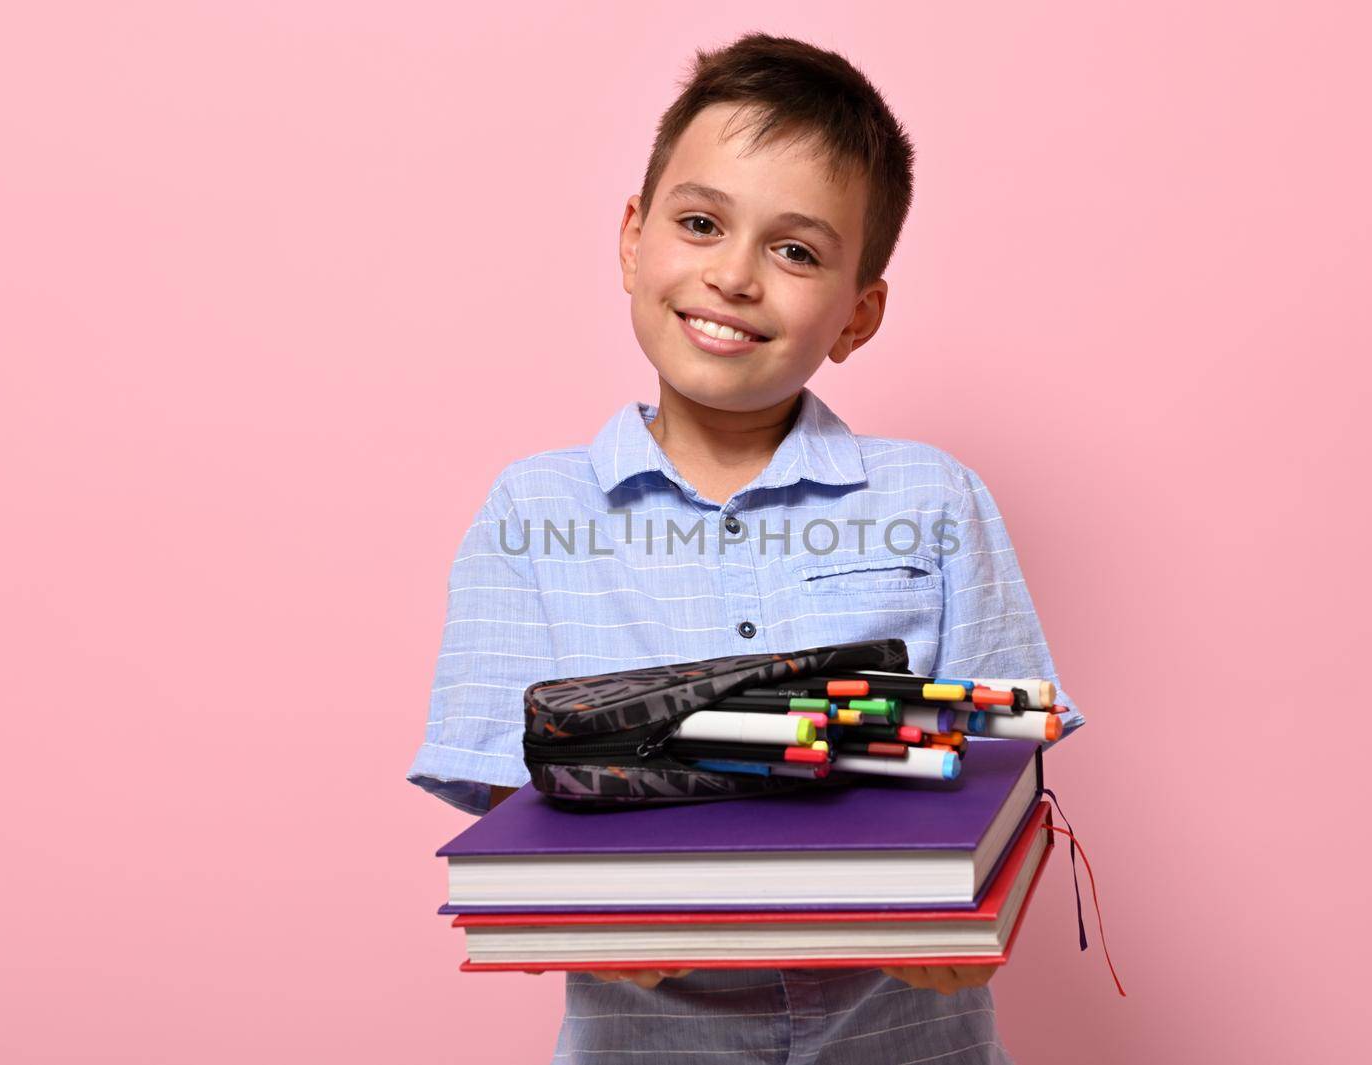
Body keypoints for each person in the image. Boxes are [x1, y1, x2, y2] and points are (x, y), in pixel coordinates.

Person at [406, 31, 1085, 1065]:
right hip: (644, 1038)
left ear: (858, 314)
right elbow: (507, 785)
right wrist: (583, 907)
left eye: (796, 250)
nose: (733, 275)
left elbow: (1001, 746)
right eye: (698, 223)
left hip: (904, 1029)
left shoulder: (934, 498)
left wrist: (973, 900)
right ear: (632, 238)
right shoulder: (530, 509)